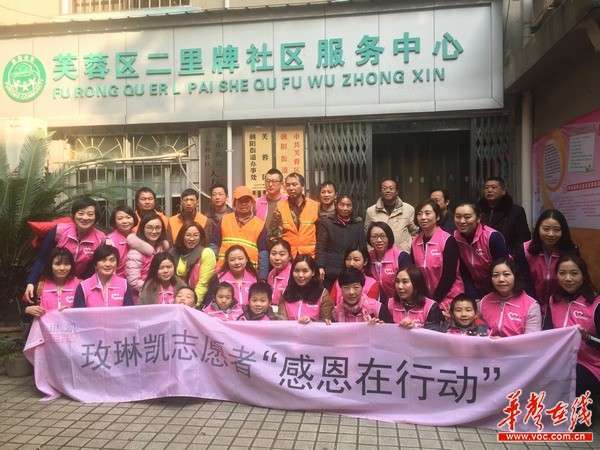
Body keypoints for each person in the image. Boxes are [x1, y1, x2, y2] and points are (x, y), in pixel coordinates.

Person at [24, 196, 105, 302]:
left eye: (90, 214)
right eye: (80, 213)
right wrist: (31, 282)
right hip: (53, 282)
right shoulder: (59, 231)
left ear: (96, 217)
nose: (85, 218)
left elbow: (98, 268)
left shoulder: (101, 239)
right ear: (73, 215)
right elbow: (42, 258)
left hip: (81, 284)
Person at [546, 254, 599, 406]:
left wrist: (588, 338)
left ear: (583, 275)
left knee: (573, 382)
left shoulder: (596, 304)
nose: (568, 278)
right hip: (559, 360)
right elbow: (546, 334)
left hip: (591, 365)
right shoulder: (553, 300)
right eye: (562, 273)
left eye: (574, 273)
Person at [522, 209, 578, 313]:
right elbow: (523, 281)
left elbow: (576, 280)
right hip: (531, 305)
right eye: (546, 229)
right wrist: (534, 306)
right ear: (538, 228)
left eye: (556, 230)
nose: (551, 234)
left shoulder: (571, 250)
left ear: (563, 231)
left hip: (562, 305)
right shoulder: (525, 250)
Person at [412, 199, 463, 312]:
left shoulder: (447, 240)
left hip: (449, 297)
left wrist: (434, 301)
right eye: (419, 214)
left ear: (438, 217)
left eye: (427, 213)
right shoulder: (415, 242)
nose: (423, 217)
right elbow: (416, 274)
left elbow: (449, 276)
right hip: (427, 300)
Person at [453, 202, 509, 298]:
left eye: (467, 217)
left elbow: (503, 268)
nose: (462, 221)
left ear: (478, 218)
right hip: (474, 288)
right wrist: (473, 295)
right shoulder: (454, 238)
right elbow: (463, 272)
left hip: (498, 286)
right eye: (458, 217)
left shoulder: (492, 237)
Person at [479, 258, 541, 337]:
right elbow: (480, 332)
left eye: (506, 274)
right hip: (488, 344)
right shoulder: (484, 302)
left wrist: (503, 342)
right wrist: (487, 338)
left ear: (515, 276)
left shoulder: (531, 306)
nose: (501, 279)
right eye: (496, 275)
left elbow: (531, 339)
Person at [316, 194, 366, 289]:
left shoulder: (357, 224)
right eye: (342, 205)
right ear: (336, 205)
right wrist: (320, 266)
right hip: (330, 269)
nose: (345, 208)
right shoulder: (326, 223)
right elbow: (320, 246)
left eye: (348, 205)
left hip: (350, 269)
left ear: (353, 207)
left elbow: (362, 247)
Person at [218, 186, 268, 278]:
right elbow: (214, 245)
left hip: (249, 275)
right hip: (223, 273)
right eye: (240, 201)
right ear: (234, 203)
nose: (244, 204)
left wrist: (263, 278)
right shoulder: (224, 220)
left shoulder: (260, 225)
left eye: (247, 201)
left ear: (252, 202)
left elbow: (263, 253)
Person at [270, 173, 319, 258]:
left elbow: (321, 235)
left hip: (310, 257)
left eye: (294, 184)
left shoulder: (315, 206)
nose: (291, 188)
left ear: (302, 186)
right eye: (288, 185)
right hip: (289, 257)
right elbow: (273, 235)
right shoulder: (280, 207)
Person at [478, 176, 530, 253]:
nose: (489, 190)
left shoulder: (516, 211)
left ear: (503, 191)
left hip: (508, 255)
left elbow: (523, 238)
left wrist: (513, 256)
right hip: (482, 254)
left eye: (493, 187)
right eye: (486, 188)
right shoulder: (478, 210)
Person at [364, 178, 417, 253]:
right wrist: (371, 251)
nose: (388, 191)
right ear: (380, 191)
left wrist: (408, 248)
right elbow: (367, 234)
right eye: (384, 188)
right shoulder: (371, 211)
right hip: (379, 254)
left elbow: (415, 232)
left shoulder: (408, 209)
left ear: (397, 191)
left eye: (391, 188)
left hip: (402, 254)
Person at [169, 222, 216, 305]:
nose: (191, 239)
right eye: (188, 235)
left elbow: (203, 284)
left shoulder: (206, 253)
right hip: (175, 300)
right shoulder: (173, 252)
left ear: (201, 237)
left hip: (196, 301)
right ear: (182, 236)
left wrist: (194, 304)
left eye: (196, 235)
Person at [24, 247, 79, 317]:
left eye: (66, 264)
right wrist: (27, 310)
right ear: (50, 265)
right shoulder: (39, 286)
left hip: (72, 324)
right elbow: (22, 313)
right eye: (57, 264)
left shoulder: (80, 286)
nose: (62, 268)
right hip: (44, 324)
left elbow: (87, 312)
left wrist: (73, 312)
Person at [125, 213, 170, 296]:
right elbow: (133, 281)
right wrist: (156, 287)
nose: (154, 231)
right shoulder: (135, 253)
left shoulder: (162, 248)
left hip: (161, 295)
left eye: (158, 228)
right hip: (142, 296)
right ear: (142, 229)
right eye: (149, 227)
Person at [280, 255, 333, 323]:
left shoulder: (323, 295)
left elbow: (326, 322)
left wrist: (311, 323)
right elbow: (281, 322)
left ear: (313, 272)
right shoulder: (285, 293)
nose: (300, 275)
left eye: (305, 271)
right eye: (296, 271)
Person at [389, 265, 443, 330]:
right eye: (397, 281)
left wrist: (415, 327)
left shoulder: (431, 307)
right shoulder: (390, 304)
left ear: (416, 284)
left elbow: (433, 333)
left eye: (405, 282)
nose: (400, 286)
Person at [366, 222, 411, 299]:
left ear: (389, 237)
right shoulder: (368, 258)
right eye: (374, 237)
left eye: (383, 236)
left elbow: (408, 285)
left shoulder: (401, 257)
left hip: (400, 300)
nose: (379, 240)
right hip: (377, 302)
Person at [105, 205, 138, 277]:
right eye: (120, 218)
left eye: (128, 217)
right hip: (117, 279)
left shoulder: (138, 237)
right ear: (114, 221)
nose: (125, 221)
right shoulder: (109, 241)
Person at [267, 239, 292, 306]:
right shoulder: (271, 274)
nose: (277, 258)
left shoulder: (293, 274)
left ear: (289, 256)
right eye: (273, 254)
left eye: (282, 254)